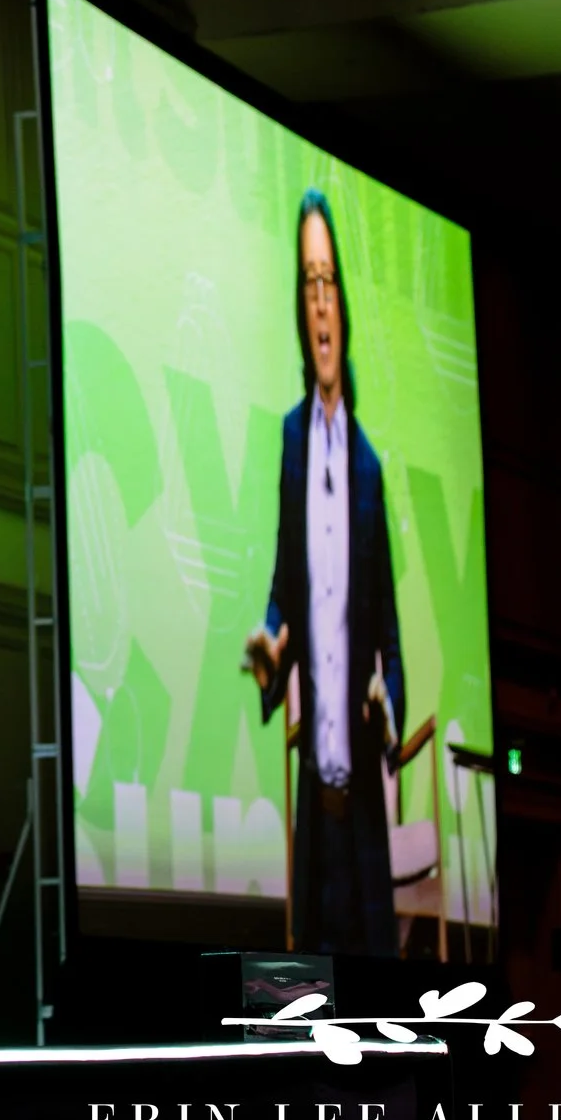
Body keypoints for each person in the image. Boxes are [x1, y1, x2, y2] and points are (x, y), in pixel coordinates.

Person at [242, 190, 406, 958]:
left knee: (377, 1026)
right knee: (307, 1010)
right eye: (306, 283)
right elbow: (285, 581)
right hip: (318, 805)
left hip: (364, 813)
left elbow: (393, 644)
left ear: (344, 305)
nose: (319, 303)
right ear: (297, 310)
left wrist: (388, 700)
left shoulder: (369, 467)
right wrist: (273, 644)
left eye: (328, 280)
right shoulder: (289, 442)